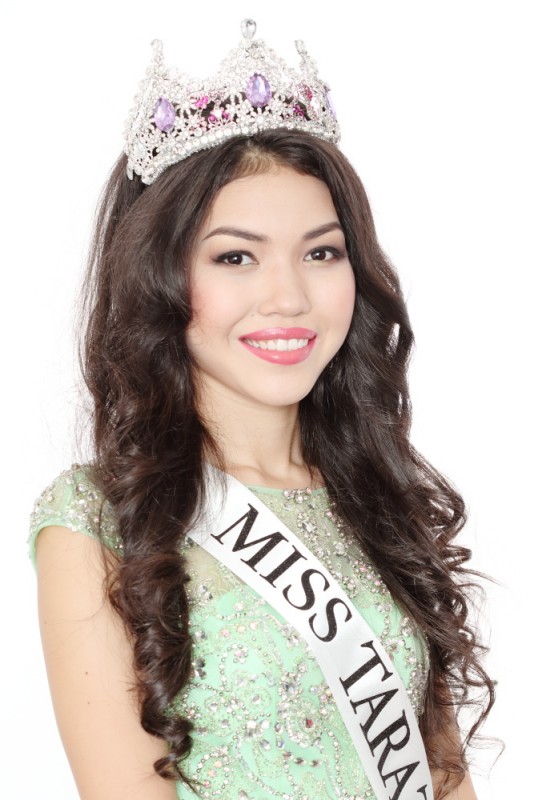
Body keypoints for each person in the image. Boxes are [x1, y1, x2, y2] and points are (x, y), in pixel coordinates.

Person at [30, 20, 494, 800]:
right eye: (236, 256)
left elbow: (445, 779)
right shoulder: (97, 518)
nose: (289, 297)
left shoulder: (379, 495)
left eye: (321, 252)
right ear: (160, 276)